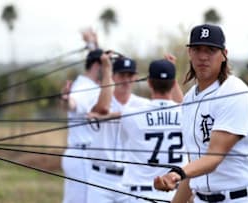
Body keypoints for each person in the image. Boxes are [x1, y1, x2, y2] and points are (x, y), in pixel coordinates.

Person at [153, 24, 248, 203]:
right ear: (190, 53)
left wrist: (177, 174)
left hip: (239, 198)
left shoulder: (233, 91)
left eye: (211, 50)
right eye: (197, 49)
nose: (203, 56)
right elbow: (194, 169)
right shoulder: (190, 98)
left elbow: (214, 157)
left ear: (224, 55)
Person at [119, 58, 187, 202]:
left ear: (149, 82)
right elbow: (184, 106)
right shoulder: (187, 114)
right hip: (176, 195)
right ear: (174, 84)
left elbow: (124, 143)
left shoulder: (130, 115)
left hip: (140, 195)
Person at [60, 28, 114, 203]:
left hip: (84, 155)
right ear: (97, 66)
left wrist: (93, 44)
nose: (108, 70)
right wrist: (67, 100)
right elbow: (73, 103)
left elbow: (97, 57)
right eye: (106, 66)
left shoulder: (88, 83)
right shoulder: (83, 88)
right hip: (81, 156)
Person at [86, 56, 149, 203]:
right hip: (100, 178)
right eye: (121, 75)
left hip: (129, 178)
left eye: (130, 75)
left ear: (136, 78)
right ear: (113, 77)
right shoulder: (98, 98)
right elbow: (102, 110)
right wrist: (106, 69)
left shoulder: (143, 104)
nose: (126, 80)